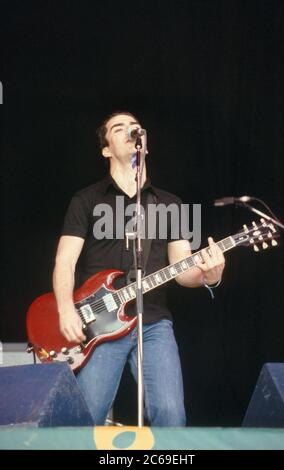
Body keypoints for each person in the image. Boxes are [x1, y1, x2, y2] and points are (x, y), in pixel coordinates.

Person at [53, 111, 225, 426]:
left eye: (136, 128)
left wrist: (206, 276)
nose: (131, 131)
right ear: (106, 149)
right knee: (87, 415)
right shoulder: (87, 200)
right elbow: (65, 260)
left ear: (144, 143)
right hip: (100, 324)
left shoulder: (171, 204)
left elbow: (182, 269)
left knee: (171, 414)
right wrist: (65, 308)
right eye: (120, 128)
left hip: (154, 322)